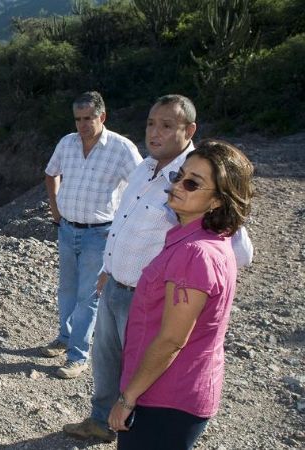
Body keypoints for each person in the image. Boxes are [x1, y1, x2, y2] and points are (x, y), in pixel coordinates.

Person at [62, 94, 253, 442]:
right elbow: (123, 220)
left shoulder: (205, 180)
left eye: (167, 125)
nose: (155, 132)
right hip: (115, 284)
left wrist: (183, 290)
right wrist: (109, 267)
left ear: (189, 129)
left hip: (151, 302)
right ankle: (102, 422)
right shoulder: (145, 167)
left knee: (142, 373)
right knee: (107, 364)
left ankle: (128, 422)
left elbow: (236, 251)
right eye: (151, 123)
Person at [107, 139, 253, 449]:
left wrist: (128, 397)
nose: (178, 185)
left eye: (192, 183)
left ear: (217, 201)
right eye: (179, 176)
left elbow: (172, 339)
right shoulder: (205, 240)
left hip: (165, 398)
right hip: (175, 393)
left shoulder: (195, 254)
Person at [40, 91, 142, 379]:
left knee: (89, 295)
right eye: (78, 119)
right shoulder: (67, 143)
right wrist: (55, 209)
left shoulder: (121, 149)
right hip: (67, 228)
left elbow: (141, 186)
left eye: (88, 118)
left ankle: (77, 356)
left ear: (102, 116)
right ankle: (64, 337)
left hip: (100, 234)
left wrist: (125, 226)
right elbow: (51, 173)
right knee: (67, 289)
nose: (83, 124)